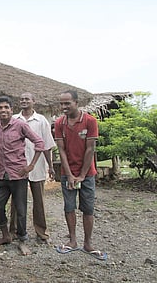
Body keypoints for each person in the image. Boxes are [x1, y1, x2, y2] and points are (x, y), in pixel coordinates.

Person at [54, 90, 107, 260]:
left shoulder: (90, 121)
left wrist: (82, 175)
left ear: (76, 103)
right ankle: (73, 241)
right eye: (61, 104)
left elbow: (90, 149)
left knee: (88, 208)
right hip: (67, 172)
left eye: (67, 103)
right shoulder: (60, 123)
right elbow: (61, 150)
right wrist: (69, 175)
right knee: (69, 207)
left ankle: (88, 243)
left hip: (88, 173)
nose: (64, 107)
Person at [0, 96, 45, 256]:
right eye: (0, 108)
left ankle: (22, 240)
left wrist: (31, 166)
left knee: (21, 210)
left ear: (11, 110)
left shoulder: (20, 125)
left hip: (19, 175)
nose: (3, 110)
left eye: (6, 107)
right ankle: (6, 235)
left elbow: (39, 143)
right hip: (3, 175)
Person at [9, 92, 56, 243]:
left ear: (33, 102)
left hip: (37, 166)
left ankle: (41, 232)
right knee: (16, 201)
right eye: (21, 99)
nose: (24, 101)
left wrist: (51, 166)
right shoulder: (13, 119)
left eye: (27, 99)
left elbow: (47, 146)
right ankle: (14, 231)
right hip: (18, 167)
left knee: (39, 201)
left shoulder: (41, 121)